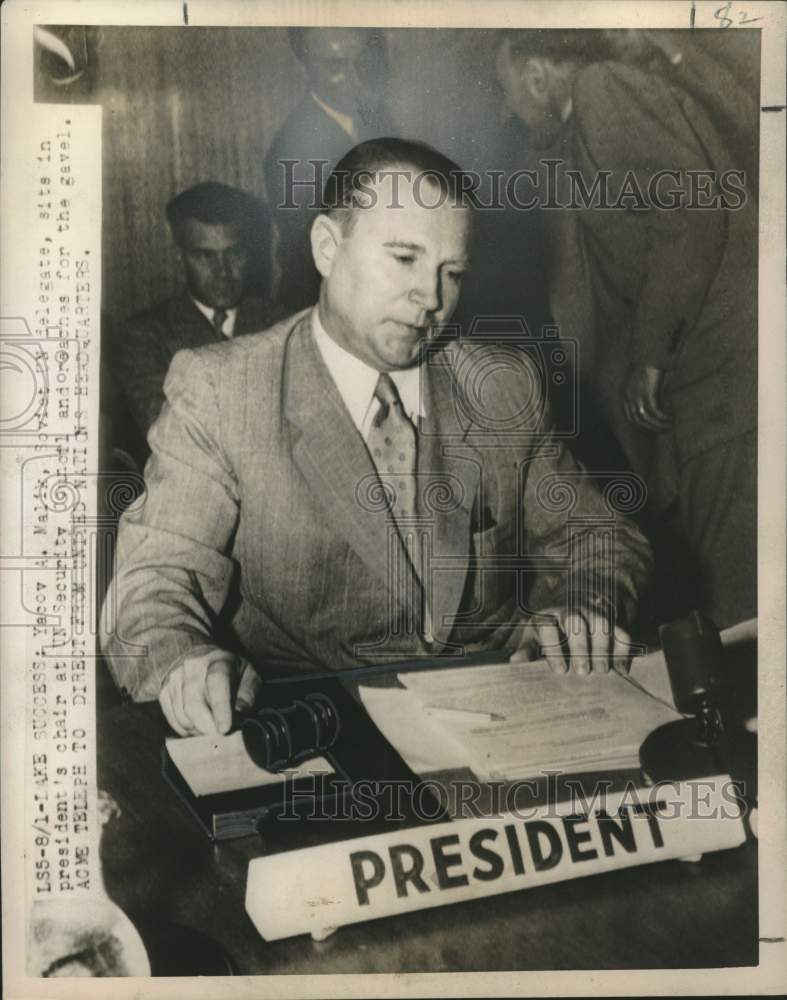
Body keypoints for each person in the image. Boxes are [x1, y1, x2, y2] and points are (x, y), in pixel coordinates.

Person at [101, 138, 653, 738]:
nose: (432, 298)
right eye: (404, 258)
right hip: (315, 729)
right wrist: (183, 662)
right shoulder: (223, 390)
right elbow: (151, 582)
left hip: (507, 719)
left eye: (453, 272)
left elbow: (601, 536)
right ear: (326, 248)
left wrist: (583, 603)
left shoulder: (500, 386)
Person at [495, 31, 757, 629]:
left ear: (537, 74)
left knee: (736, 603)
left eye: (504, 87)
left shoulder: (602, 89)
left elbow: (691, 214)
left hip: (724, 381)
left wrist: (650, 358)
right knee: (719, 590)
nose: (506, 108)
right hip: (702, 390)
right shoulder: (571, 136)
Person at [107, 181, 284, 445]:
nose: (222, 272)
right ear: (180, 256)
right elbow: (173, 436)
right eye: (205, 257)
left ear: (248, 252)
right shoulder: (143, 337)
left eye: (233, 254)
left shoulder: (285, 325)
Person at [265, 27, 395, 312]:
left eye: (362, 61)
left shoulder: (377, 120)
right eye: (336, 65)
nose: (355, 78)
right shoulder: (294, 147)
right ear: (303, 68)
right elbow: (314, 257)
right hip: (321, 305)